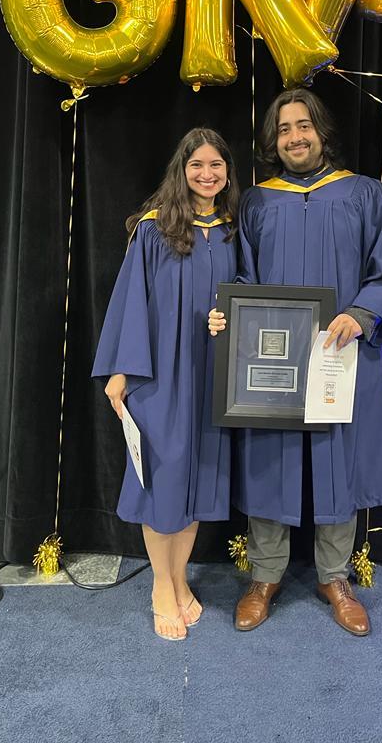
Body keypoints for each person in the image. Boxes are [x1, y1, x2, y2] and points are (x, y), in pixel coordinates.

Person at [209, 89, 382, 636]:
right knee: (269, 458)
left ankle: (335, 576)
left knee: (337, 461)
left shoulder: (363, 194)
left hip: (338, 352)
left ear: (322, 132)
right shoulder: (257, 201)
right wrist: (235, 319)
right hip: (272, 356)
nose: (295, 137)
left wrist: (364, 314)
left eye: (304, 126)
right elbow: (242, 278)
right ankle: (264, 576)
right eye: (283, 130)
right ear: (272, 142)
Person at [93, 128, 239, 640]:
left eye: (215, 165)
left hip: (211, 372)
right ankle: (160, 585)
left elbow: (243, 295)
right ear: (181, 169)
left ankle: (179, 581)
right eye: (196, 165)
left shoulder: (229, 229)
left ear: (227, 171)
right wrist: (121, 370)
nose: (206, 174)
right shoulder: (155, 230)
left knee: (197, 480)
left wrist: (231, 318)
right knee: (162, 480)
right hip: (160, 372)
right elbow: (131, 302)